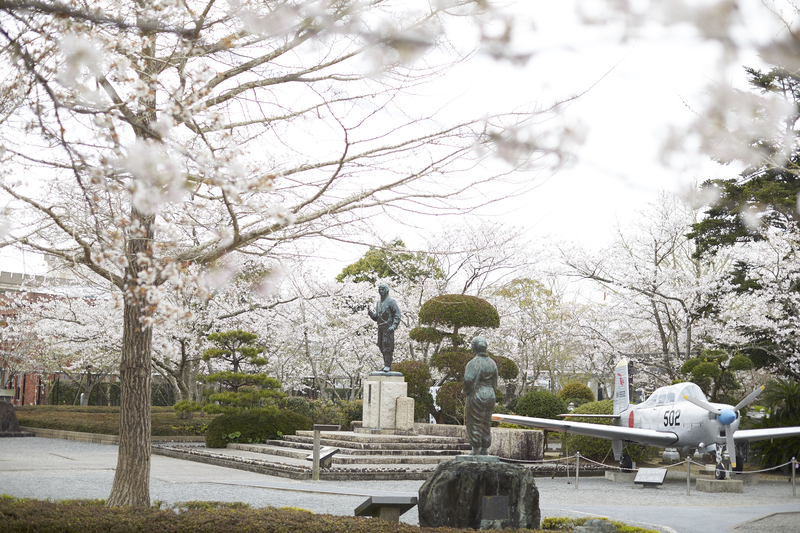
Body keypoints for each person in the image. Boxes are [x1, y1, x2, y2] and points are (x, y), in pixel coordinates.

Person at [462, 336, 498, 455]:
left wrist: (466, 391)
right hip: (490, 393)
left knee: (475, 421)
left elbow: (468, 379)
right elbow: (495, 382)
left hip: (477, 393)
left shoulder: (473, 363)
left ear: (473, 348)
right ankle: (485, 448)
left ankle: (476, 448)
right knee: (486, 421)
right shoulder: (492, 363)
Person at [367, 283, 401, 372]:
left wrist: (393, 326)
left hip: (388, 327)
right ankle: (385, 364)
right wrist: (372, 315)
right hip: (380, 327)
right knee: (381, 346)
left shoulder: (391, 301)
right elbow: (377, 318)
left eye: (382, 289)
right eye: (379, 289)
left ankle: (388, 365)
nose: (380, 291)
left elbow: (397, 315)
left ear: (387, 290)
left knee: (387, 346)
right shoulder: (378, 303)